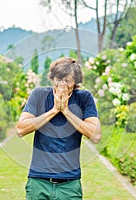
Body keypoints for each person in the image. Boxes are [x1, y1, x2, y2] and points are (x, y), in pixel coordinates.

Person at [16, 57, 102, 200]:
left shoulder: (84, 98)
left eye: (67, 80)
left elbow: (96, 135)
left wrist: (67, 111)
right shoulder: (39, 95)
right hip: (38, 182)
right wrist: (55, 110)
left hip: (69, 185)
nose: (62, 84)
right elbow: (20, 129)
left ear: (75, 82)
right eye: (58, 79)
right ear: (52, 78)